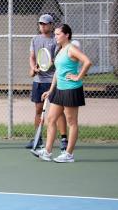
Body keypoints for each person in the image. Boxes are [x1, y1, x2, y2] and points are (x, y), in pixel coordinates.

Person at [32, 24, 92, 163]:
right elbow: (58, 72)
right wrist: (51, 90)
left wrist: (78, 77)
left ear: (67, 35)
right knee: (51, 119)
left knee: (71, 122)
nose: (56, 36)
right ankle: (47, 152)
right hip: (59, 90)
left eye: (58, 34)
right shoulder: (61, 50)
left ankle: (69, 154)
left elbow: (87, 62)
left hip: (71, 89)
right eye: (56, 34)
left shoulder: (71, 49)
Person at [26, 14, 68, 150]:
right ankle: (38, 139)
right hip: (38, 81)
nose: (42, 26)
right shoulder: (34, 39)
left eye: (45, 24)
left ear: (51, 25)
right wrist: (33, 67)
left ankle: (64, 139)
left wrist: (49, 64)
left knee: (59, 111)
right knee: (38, 110)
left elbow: (57, 60)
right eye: (40, 24)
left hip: (53, 81)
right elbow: (32, 57)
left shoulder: (56, 40)